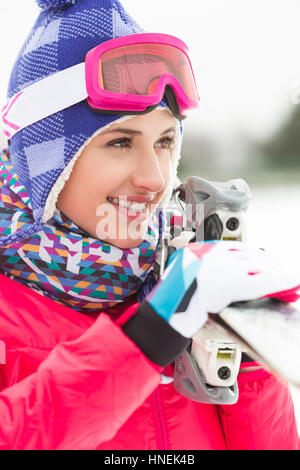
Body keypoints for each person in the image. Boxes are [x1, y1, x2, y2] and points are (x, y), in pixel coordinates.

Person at [0, 0, 299, 450]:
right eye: (120, 141)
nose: (155, 178)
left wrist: (248, 357)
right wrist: (146, 341)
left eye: (164, 142)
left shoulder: (180, 282)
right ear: (42, 166)